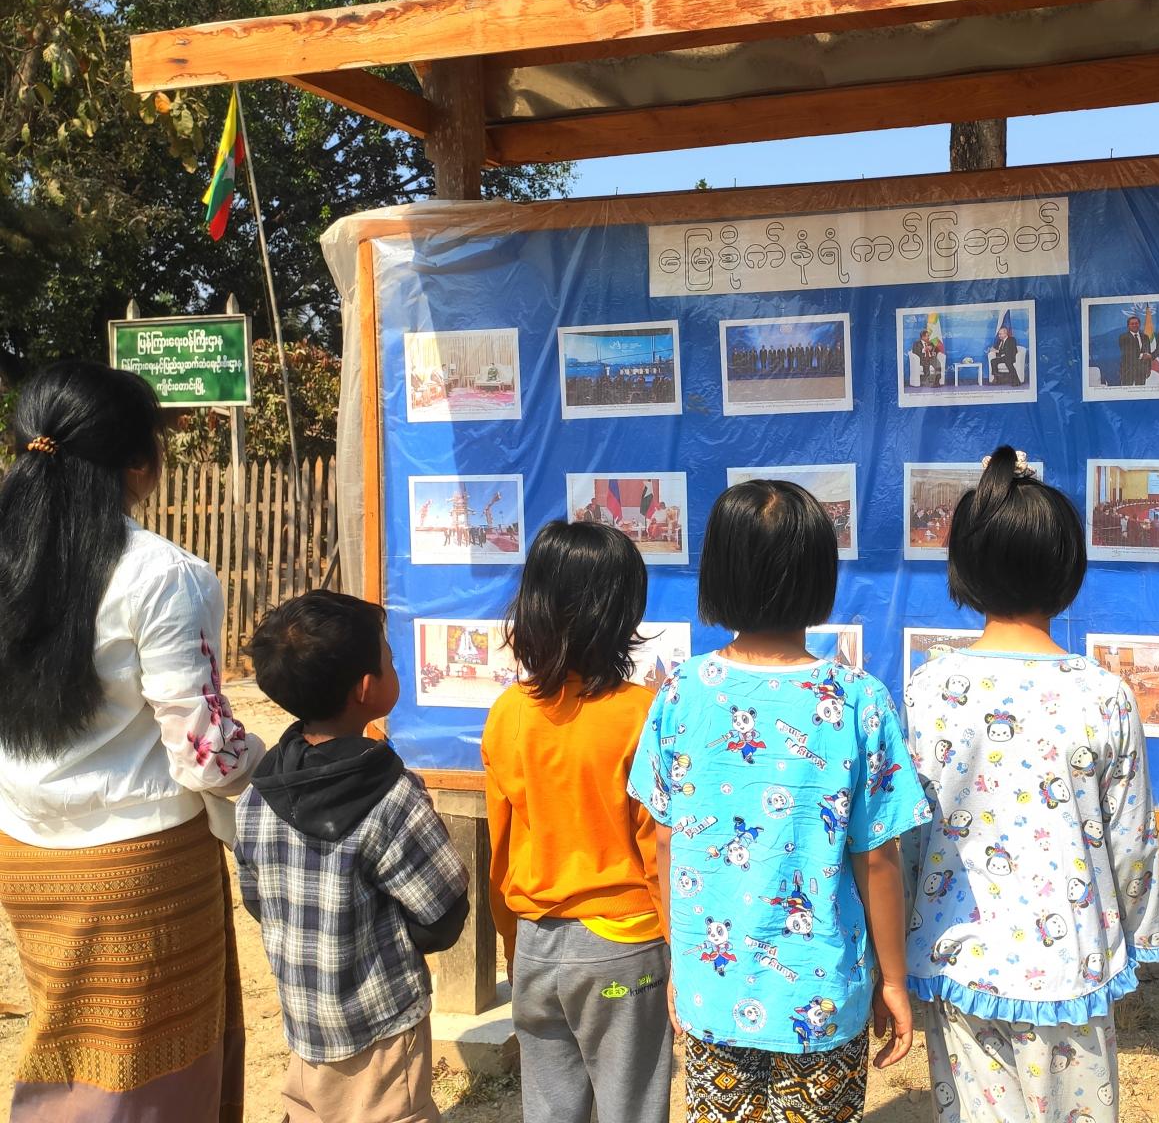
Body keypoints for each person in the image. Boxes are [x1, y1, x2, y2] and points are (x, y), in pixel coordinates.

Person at [0, 360, 264, 1122]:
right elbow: (206, 753)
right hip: (142, 865)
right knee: (153, 1076)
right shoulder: (163, 575)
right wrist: (276, 761)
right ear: (140, 463)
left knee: (67, 1053)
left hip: (26, 852)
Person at [628, 480, 930, 1123]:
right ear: (820, 574)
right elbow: (878, 858)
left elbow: (664, 841)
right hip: (822, 992)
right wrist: (893, 980)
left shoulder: (680, 693)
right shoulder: (858, 700)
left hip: (713, 985)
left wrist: (682, 961)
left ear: (717, 572)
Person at [903, 446, 1159, 1123]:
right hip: (1070, 967)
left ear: (963, 565)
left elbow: (908, 836)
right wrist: (1140, 935)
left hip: (957, 964)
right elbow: (1132, 841)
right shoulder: (1104, 695)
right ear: (1068, 566)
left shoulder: (928, 690)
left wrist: (897, 937)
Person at [236, 591, 469, 1123]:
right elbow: (442, 916)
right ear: (367, 689)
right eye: (389, 658)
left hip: (304, 1019)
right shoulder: (392, 797)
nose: (394, 665)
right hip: (381, 1024)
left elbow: (255, 898)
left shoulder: (258, 794)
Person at [484, 521, 671, 1123]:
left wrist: (512, 939)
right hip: (625, 948)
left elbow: (500, 843)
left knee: (549, 1108)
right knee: (633, 1106)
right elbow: (658, 847)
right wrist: (680, 949)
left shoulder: (508, 712)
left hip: (536, 944)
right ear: (621, 613)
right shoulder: (641, 713)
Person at [1118, 313, 1151, 386]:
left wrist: (1148, 369)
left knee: (1140, 390)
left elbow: (1148, 353)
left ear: (1139, 324)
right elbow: (1127, 352)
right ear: (1128, 326)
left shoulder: (1145, 337)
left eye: (1136, 323)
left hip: (1142, 371)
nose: (1134, 325)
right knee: (1127, 390)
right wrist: (1142, 355)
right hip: (1128, 370)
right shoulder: (1123, 337)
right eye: (1132, 324)